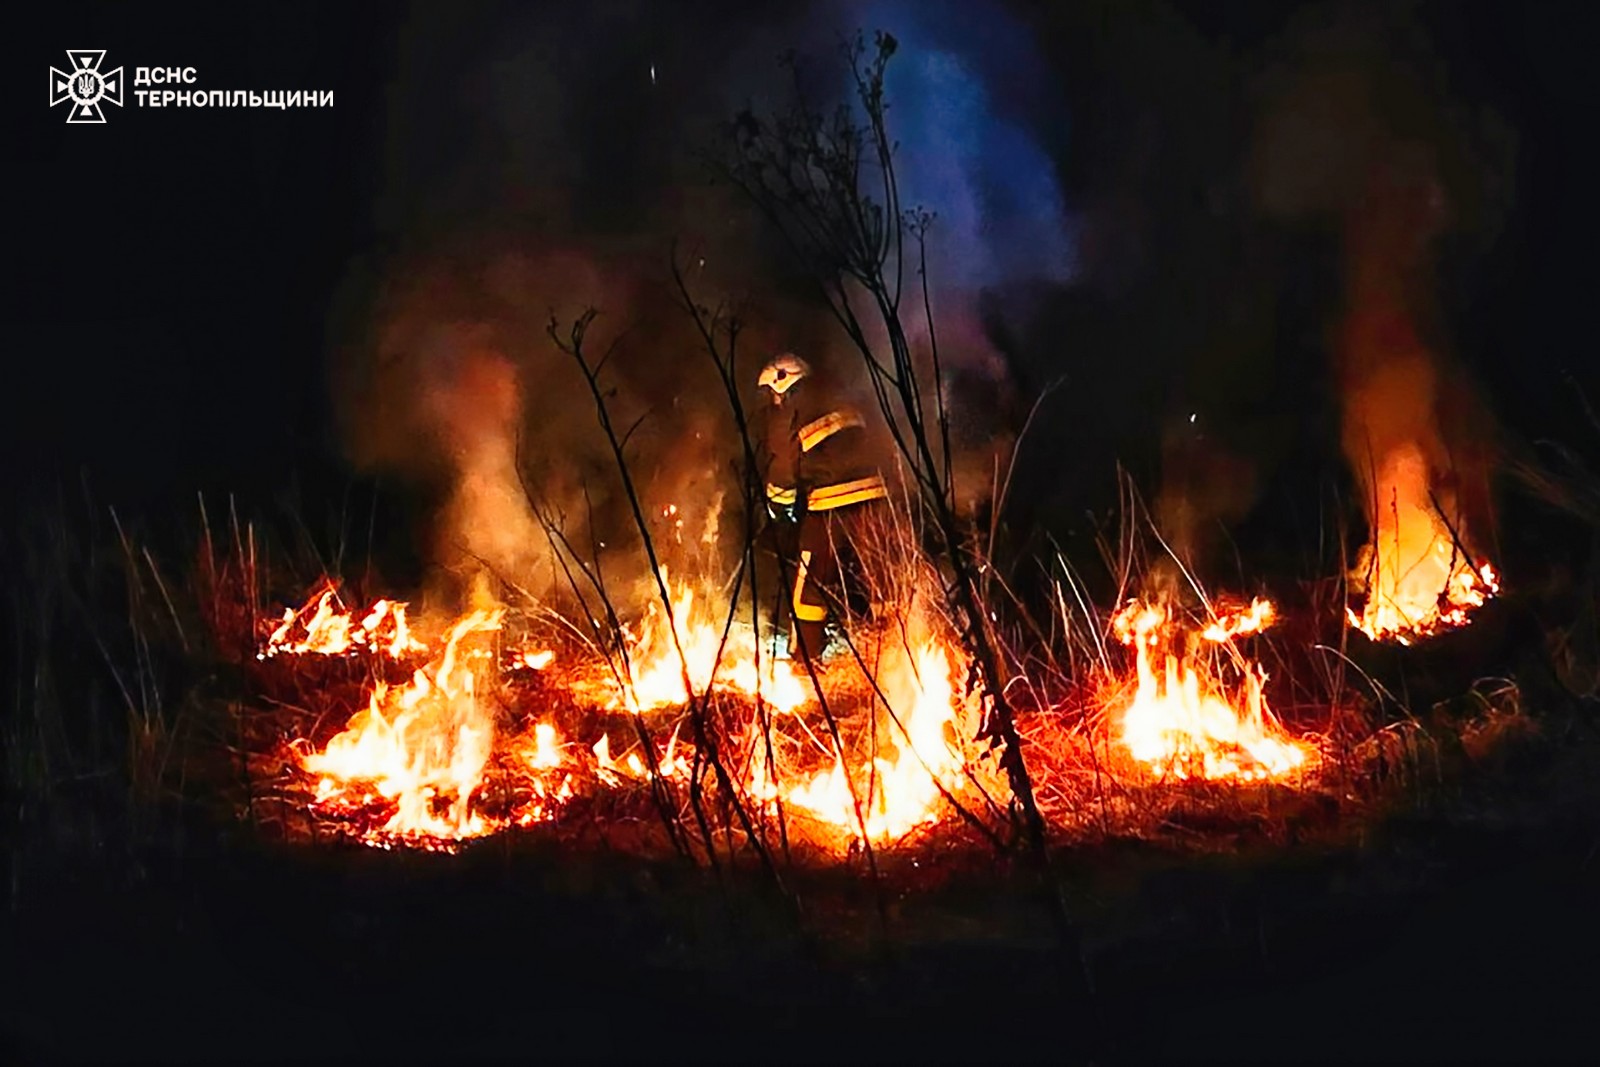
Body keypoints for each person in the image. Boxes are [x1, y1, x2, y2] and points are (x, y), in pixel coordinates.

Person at [755, 352, 888, 667]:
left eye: (772, 394)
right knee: (883, 577)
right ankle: (896, 650)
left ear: (783, 382)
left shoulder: (790, 413)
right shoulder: (840, 395)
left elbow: (783, 472)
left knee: (810, 585)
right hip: (877, 499)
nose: (773, 401)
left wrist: (779, 512)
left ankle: (806, 660)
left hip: (830, 506)